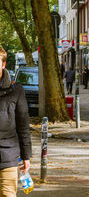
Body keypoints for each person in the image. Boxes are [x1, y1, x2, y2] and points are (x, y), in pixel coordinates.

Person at [0, 47, 32, 197]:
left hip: (7, 156)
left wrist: (26, 156)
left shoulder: (16, 90)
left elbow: (23, 125)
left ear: (3, 64)